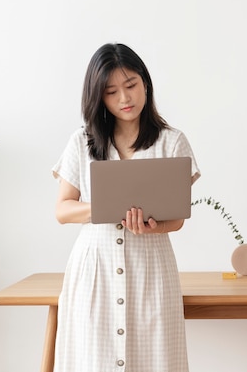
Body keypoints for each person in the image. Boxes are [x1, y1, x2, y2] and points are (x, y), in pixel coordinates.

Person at [52, 43, 200, 372]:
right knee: (92, 360)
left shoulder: (172, 142)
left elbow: (177, 218)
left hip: (151, 268)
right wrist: (104, 206)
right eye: (111, 91)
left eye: (131, 85)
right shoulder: (82, 141)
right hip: (95, 269)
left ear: (145, 82)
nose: (125, 98)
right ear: (98, 97)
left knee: (156, 358)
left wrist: (155, 226)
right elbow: (63, 210)